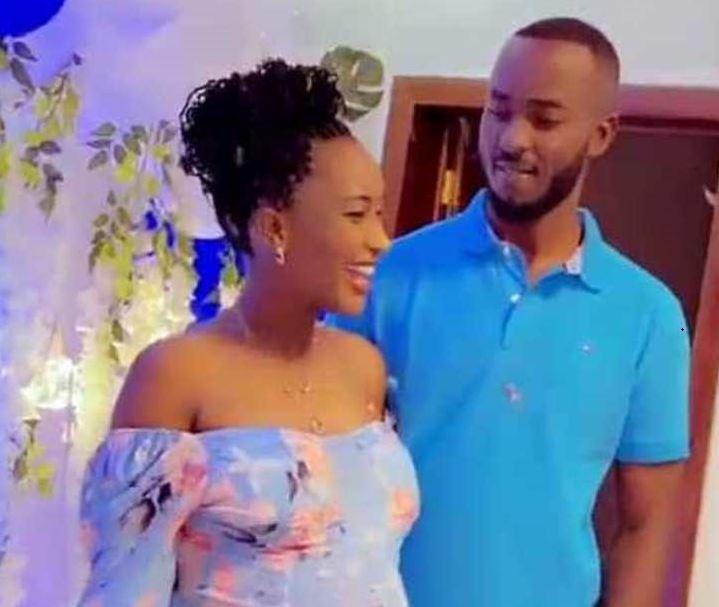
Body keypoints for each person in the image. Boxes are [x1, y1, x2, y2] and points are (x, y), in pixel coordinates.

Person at [330, 17, 690, 607]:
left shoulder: (649, 315)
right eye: (498, 110)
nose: (512, 137)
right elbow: (322, 477)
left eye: (544, 119)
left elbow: (646, 526)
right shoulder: (389, 276)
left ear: (601, 135)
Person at [77, 59, 419, 607]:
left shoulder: (365, 367)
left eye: (379, 213)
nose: (380, 240)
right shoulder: (176, 374)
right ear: (273, 227)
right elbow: (124, 589)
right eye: (357, 215)